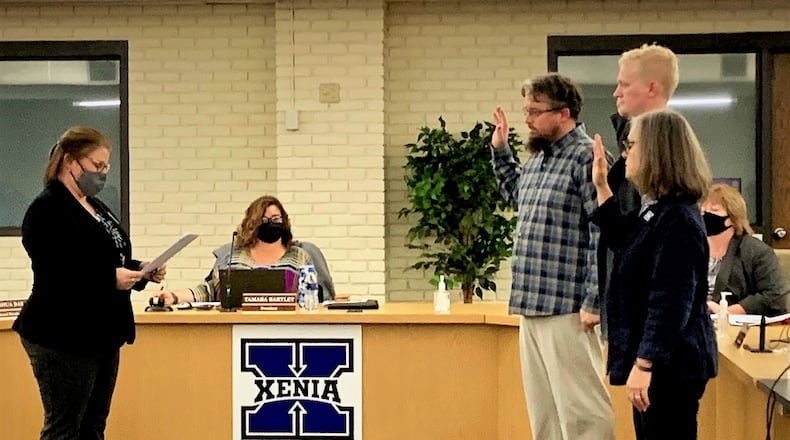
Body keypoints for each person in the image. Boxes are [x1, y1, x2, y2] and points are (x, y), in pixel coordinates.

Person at [13, 126, 166, 440]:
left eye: (106, 167)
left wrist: (141, 271)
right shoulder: (46, 209)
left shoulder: (96, 207)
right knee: (64, 427)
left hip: (102, 333)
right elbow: (56, 271)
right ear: (70, 162)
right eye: (97, 165)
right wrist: (109, 278)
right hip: (62, 333)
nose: (102, 174)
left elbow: (105, 258)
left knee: (93, 426)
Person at [491, 73, 614, 440]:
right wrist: (501, 151)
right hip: (531, 303)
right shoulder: (538, 159)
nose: (527, 119)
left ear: (563, 113)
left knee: (582, 412)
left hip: (569, 307)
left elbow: (603, 232)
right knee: (543, 413)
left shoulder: (586, 157)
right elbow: (516, 195)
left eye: (535, 111)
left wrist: (593, 301)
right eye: (526, 111)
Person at [591, 109, 717, 439]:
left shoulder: (677, 217)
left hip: (669, 368)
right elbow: (626, 243)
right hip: (659, 362)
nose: (624, 154)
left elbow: (670, 301)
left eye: (631, 145)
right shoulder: (658, 209)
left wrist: (645, 363)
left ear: (656, 151)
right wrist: (602, 185)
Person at [599, 44, 679, 336]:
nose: (616, 93)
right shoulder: (628, 153)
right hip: (625, 310)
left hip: (649, 319)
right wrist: (601, 185)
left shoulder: (668, 156)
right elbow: (624, 237)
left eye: (624, 85)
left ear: (651, 88)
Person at [152, 195, 314, 305]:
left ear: (284, 221)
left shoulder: (299, 257)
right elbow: (208, 290)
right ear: (252, 224)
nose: (270, 223)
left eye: (276, 219)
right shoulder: (233, 258)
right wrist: (174, 297)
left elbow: (313, 298)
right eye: (264, 220)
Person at [702, 183, 787, 316]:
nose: (706, 215)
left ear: (732, 217)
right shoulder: (689, 248)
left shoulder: (756, 251)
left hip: (734, 324)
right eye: (702, 211)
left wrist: (725, 311)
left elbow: (774, 297)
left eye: (714, 210)